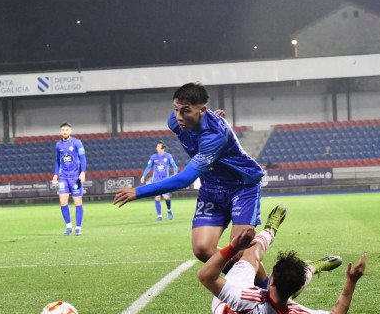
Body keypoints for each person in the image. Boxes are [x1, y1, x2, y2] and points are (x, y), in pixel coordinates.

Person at [114, 82, 266, 277]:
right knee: (202, 249)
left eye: (185, 111)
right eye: (176, 109)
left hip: (242, 187)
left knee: (239, 252)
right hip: (211, 187)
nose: (179, 117)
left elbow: (184, 179)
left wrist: (139, 191)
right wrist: (203, 116)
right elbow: (188, 111)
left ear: (201, 110)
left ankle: (264, 291)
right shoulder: (175, 121)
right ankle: (243, 279)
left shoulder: (214, 137)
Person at [197, 204, 367, 314]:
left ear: (271, 281)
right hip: (272, 305)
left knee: (250, 256)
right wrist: (351, 282)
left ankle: (270, 229)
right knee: (289, 283)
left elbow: (206, 276)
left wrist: (233, 248)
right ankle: (312, 268)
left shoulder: (245, 298)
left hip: (225, 309)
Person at [52, 122, 86, 236]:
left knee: (77, 202)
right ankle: (69, 226)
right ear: (60, 131)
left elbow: (83, 158)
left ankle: (78, 227)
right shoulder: (58, 145)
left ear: (70, 131)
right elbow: (57, 161)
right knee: (62, 201)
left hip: (75, 176)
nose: (65, 132)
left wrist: (83, 173)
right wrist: (56, 174)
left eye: (66, 130)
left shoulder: (77, 142)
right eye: (62, 130)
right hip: (64, 177)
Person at [140, 141, 179, 221]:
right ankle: (159, 216)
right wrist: (143, 176)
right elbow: (148, 167)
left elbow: (174, 166)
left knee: (166, 197)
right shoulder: (154, 157)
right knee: (157, 197)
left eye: (159, 146)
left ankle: (169, 210)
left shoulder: (168, 156)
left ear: (163, 148)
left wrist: (175, 173)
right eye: (157, 146)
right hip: (156, 180)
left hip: (165, 179)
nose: (157, 148)